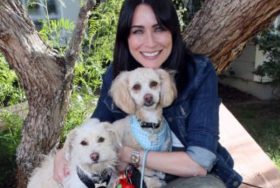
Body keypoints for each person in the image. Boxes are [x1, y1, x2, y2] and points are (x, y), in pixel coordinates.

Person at [54, 0, 242, 187]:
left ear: (172, 32)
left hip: (188, 178)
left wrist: (128, 154)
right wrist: (64, 152)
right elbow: (98, 120)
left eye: (159, 28)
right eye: (138, 31)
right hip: (134, 179)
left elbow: (200, 161)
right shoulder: (118, 75)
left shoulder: (198, 72)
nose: (150, 43)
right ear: (125, 37)